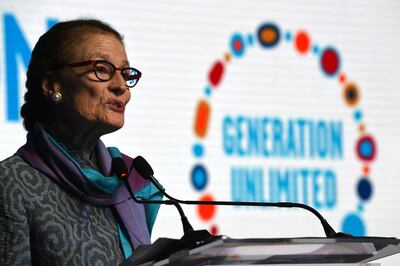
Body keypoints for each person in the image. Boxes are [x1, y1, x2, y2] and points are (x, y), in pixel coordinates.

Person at [0, 19, 162, 265]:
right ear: (51, 84)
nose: (121, 87)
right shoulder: (11, 182)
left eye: (125, 73)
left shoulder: (130, 183)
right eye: (102, 69)